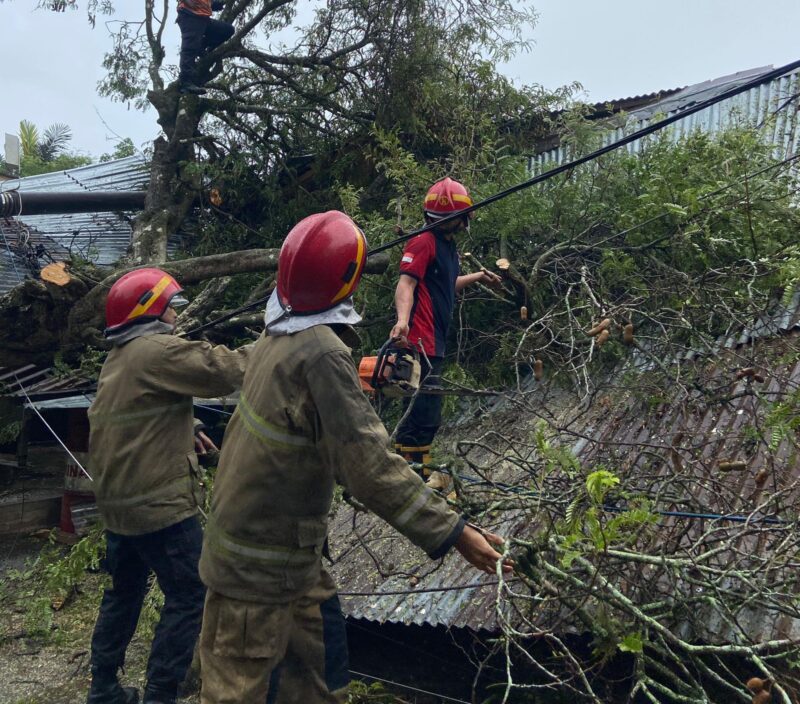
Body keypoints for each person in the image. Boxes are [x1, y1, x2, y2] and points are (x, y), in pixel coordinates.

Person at [197, 210, 512, 704]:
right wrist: (455, 532)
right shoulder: (321, 352)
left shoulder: (275, 336)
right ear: (348, 280)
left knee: (319, 674)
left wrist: (360, 381)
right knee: (237, 691)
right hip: (258, 574)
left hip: (280, 557)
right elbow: (369, 465)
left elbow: (304, 410)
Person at [85, 268, 250, 704]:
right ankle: (162, 694)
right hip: (159, 508)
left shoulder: (120, 357)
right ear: (151, 311)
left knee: (123, 592)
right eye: (171, 305)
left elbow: (137, 413)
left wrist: (187, 425)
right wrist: (281, 340)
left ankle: (103, 689)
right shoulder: (158, 350)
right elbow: (227, 369)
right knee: (190, 592)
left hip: (120, 507)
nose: (176, 313)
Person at [390, 178, 501, 487]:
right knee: (421, 413)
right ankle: (413, 480)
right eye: (465, 215)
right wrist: (402, 320)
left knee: (428, 412)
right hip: (418, 341)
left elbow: (444, 286)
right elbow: (406, 283)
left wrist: (477, 277)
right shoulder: (423, 242)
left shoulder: (446, 247)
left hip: (433, 341)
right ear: (456, 218)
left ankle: (414, 476)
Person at [176, 0, 234, 95]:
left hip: (204, 19)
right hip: (190, 16)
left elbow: (206, 3)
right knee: (189, 49)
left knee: (227, 30)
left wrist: (217, 4)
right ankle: (186, 83)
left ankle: (201, 46)